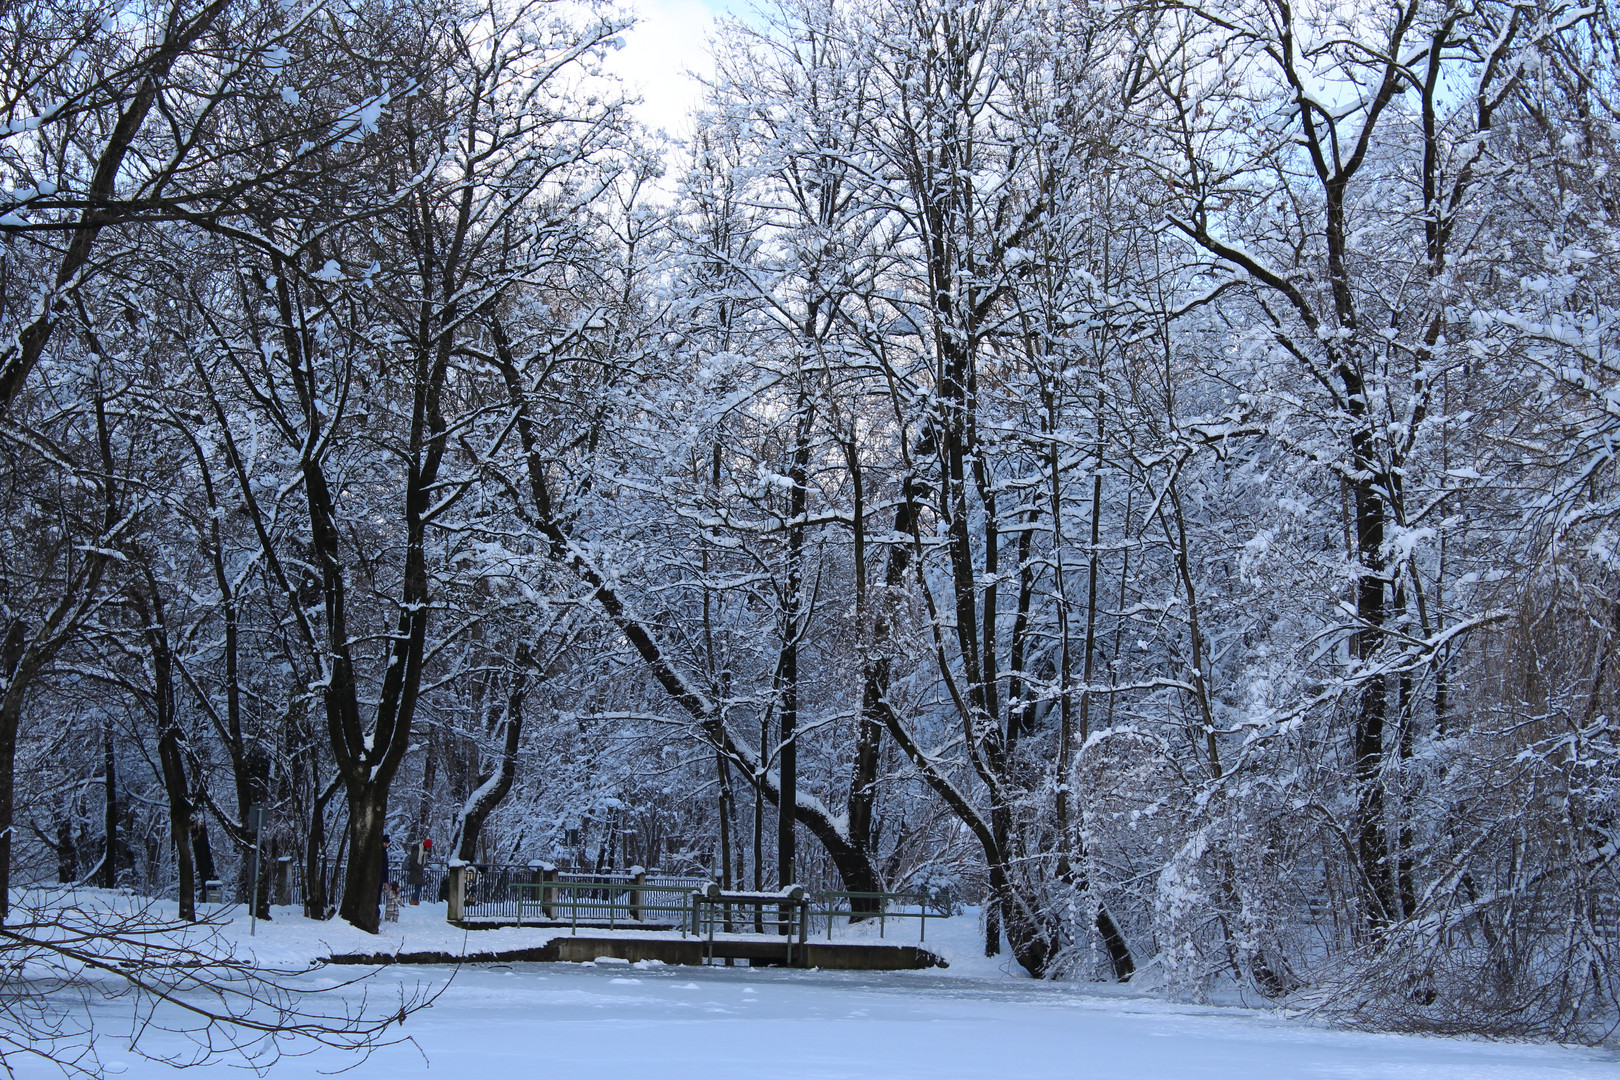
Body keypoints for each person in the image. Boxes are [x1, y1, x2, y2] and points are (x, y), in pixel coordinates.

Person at [408, 838, 430, 905]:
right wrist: (418, 868)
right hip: (416, 872)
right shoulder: (418, 852)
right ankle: (413, 900)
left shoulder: (423, 853)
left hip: (418, 872)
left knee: (418, 887)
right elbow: (412, 861)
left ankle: (415, 901)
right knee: (418, 888)